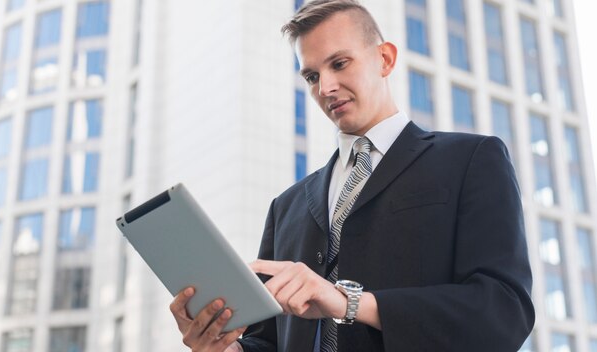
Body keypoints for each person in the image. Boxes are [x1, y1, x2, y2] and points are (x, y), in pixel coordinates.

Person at [170, 0, 535, 350]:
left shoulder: (470, 159)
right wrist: (223, 348)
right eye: (312, 76)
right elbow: (269, 342)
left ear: (385, 58)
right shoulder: (287, 206)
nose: (325, 87)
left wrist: (348, 302)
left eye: (340, 63)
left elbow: (503, 311)